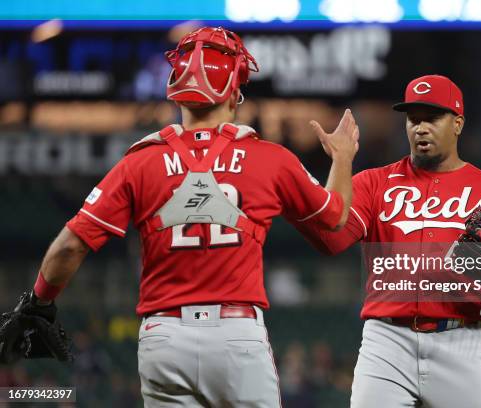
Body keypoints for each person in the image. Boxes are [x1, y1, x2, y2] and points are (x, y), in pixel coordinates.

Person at [4, 26, 359, 407]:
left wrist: (40, 301)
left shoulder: (139, 162)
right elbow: (335, 217)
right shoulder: (270, 159)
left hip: (164, 336)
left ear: (176, 89)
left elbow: (70, 247)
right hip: (236, 334)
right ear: (236, 91)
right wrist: (341, 158)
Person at [296, 74, 481, 408]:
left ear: (457, 123)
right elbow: (330, 241)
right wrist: (341, 160)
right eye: (414, 119)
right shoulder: (373, 182)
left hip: (462, 339)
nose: (420, 127)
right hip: (386, 340)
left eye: (432, 118)